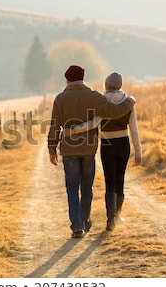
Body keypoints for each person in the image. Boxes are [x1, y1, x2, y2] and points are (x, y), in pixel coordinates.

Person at [47, 65, 136, 238]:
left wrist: (52, 149)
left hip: (68, 150)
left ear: (67, 79)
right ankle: (85, 219)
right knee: (87, 187)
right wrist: (129, 101)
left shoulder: (60, 98)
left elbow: (54, 126)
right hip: (89, 149)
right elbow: (115, 112)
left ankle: (78, 225)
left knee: (72, 188)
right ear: (83, 77)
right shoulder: (94, 96)